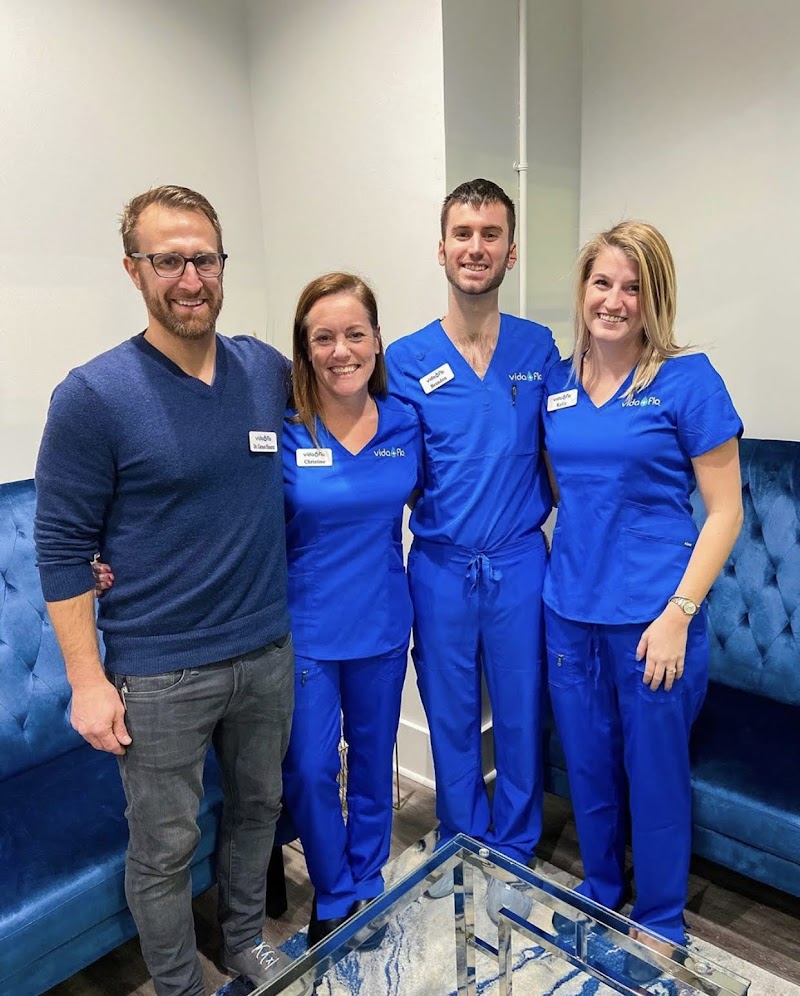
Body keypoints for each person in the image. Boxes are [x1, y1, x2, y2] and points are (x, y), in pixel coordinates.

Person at [34, 186, 296, 995]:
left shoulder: (263, 370)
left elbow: (346, 397)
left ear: (222, 265)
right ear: (134, 269)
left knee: (258, 810)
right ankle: (181, 986)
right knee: (164, 847)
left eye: (204, 260)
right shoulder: (94, 396)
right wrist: (87, 680)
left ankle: (245, 942)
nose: (190, 279)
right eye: (169, 260)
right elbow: (62, 546)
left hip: (266, 650)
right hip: (160, 674)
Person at [542, 221, 743, 967]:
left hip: (655, 622)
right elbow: (569, 492)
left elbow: (725, 511)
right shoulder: (558, 383)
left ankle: (659, 916)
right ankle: (600, 887)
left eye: (633, 287)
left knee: (654, 777)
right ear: (582, 290)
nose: (614, 300)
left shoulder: (688, 380)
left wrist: (679, 615)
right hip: (569, 611)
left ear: (654, 298)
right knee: (588, 767)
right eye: (602, 282)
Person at [385, 179, 559, 922]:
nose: (476, 247)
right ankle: (463, 841)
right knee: (451, 714)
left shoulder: (537, 348)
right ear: (442, 248)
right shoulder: (404, 359)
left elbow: (564, 449)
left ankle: (515, 849)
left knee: (520, 711)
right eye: (463, 233)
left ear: (511, 252)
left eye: (491, 234)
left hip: (519, 561)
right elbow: (388, 468)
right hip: (442, 566)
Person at [280, 272, 420, 947]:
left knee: (372, 763)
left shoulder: (405, 423)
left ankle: (365, 880)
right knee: (310, 769)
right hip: (307, 628)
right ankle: (331, 888)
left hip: (383, 622)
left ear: (377, 340)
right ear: (305, 349)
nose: (341, 351)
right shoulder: (283, 433)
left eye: (355, 334)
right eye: (324, 338)